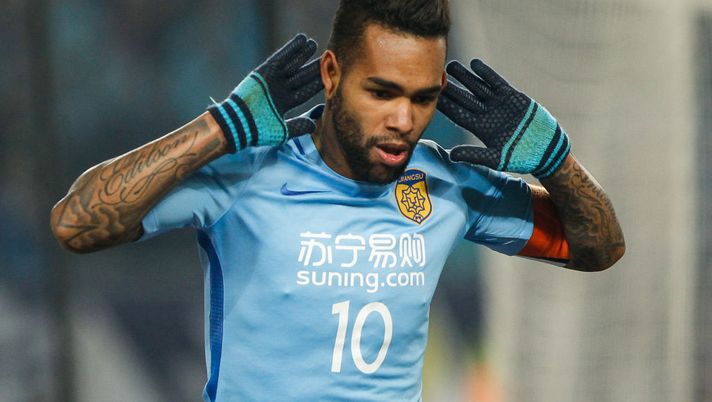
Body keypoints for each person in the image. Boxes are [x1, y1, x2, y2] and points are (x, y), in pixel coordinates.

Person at [50, 0, 625, 401]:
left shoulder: (449, 184)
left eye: (423, 98)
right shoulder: (248, 174)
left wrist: (556, 162)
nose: (403, 120)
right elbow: (76, 224)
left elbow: (599, 248)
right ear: (332, 73)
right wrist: (220, 127)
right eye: (382, 92)